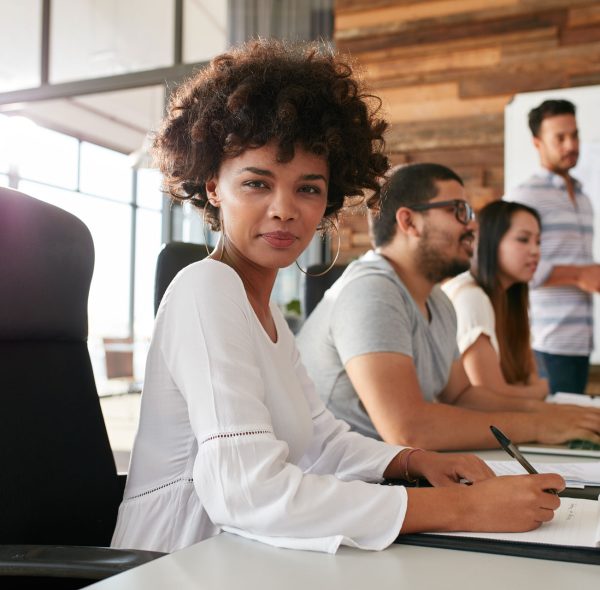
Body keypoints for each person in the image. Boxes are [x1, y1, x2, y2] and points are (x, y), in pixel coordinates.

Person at [111, 40, 564, 555]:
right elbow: (246, 491)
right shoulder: (205, 289)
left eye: (307, 189)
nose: (284, 209)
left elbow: (321, 439)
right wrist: (466, 508)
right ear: (213, 185)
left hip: (245, 552)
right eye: (258, 183)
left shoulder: (267, 311)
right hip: (176, 561)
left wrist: (412, 461)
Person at [297, 163, 600, 451]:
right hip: (344, 485)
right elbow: (408, 429)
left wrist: (553, 412)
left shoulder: (438, 301)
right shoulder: (371, 291)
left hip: (388, 475)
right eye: (459, 211)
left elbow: (461, 396)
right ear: (409, 222)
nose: (472, 226)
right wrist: (538, 426)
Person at [504, 99, 600, 394]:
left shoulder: (582, 196)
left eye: (574, 135)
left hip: (581, 341)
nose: (570, 144)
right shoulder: (525, 196)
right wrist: (578, 275)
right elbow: (508, 261)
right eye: (559, 137)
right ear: (537, 143)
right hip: (546, 343)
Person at [442, 200, 549, 400]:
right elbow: (490, 395)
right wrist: (540, 390)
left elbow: (528, 376)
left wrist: (535, 389)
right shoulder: (470, 296)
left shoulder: (511, 297)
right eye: (523, 239)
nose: (535, 251)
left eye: (538, 241)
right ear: (490, 242)